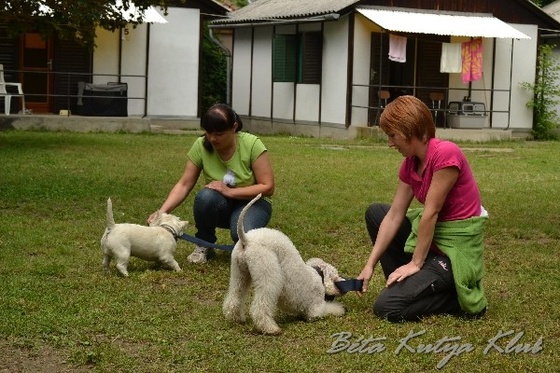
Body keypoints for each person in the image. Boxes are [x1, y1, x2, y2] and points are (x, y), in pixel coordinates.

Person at [357, 95, 488, 322]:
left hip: (452, 253)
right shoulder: (411, 163)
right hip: (431, 246)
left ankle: (454, 298)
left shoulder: (446, 154)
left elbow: (431, 212)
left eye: (392, 135)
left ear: (409, 129)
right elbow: (395, 214)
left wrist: (416, 263)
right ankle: (406, 281)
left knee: (387, 308)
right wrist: (369, 265)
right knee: (376, 213)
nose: (390, 143)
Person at [148, 103, 275, 264]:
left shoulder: (252, 144)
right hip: (221, 204)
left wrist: (229, 191)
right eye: (209, 133)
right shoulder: (201, 146)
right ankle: (204, 243)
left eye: (219, 133)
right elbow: (184, 184)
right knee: (205, 197)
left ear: (234, 127)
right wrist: (162, 213)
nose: (213, 138)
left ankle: (256, 244)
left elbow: (268, 186)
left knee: (241, 235)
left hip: (254, 203)